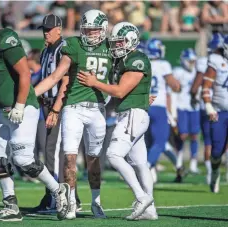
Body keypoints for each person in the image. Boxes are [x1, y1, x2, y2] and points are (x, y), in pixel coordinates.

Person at [0, 3, 70, 221]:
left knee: (23, 160)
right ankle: (10, 205)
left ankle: (58, 189)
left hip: (22, 106)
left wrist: (20, 105)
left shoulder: (5, 39)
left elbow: (23, 74)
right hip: (1, 107)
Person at [35, 9, 111, 219]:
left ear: (103, 29)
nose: (90, 33)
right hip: (73, 107)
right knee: (69, 156)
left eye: (94, 29)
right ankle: (69, 203)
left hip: (98, 109)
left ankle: (96, 202)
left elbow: (125, 76)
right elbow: (56, 77)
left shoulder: (111, 47)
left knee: (93, 160)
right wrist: (30, 96)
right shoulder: (74, 45)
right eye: (87, 29)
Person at [77, 21, 157, 221]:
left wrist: (95, 83)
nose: (115, 46)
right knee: (139, 163)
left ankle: (142, 197)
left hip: (133, 115)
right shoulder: (121, 61)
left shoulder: (137, 59)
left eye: (120, 42)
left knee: (113, 155)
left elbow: (121, 90)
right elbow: (119, 93)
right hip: (130, 113)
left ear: (131, 41)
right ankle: (150, 209)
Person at [33, 14, 82, 212]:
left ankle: (66, 198)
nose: (46, 32)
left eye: (49, 29)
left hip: (58, 104)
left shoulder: (64, 48)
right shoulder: (46, 51)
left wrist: (55, 108)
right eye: (44, 29)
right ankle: (53, 195)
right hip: (46, 103)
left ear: (59, 29)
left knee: (55, 153)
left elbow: (66, 80)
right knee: (49, 152)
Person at [190, 33, 224, 184]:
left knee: (210, 141)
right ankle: (214, 172)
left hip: (209, 105)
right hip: (215, 105)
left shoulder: (206, 61)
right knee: (216, 141)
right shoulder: (215, 61)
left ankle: (211, 173)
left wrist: (193, 96)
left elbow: (196, 86)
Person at [145, 38, 180, 183]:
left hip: (144, 105)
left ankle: (149, 170)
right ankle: (145, 168)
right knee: (160, 141)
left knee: (149, 142)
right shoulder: (163, 64)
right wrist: (177, 85)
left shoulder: (144, 63)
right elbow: (174, 85)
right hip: (158, 106)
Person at [202, 35, 228, 193]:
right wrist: (208, 107)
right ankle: (215, 172)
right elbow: (206, 87)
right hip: (219, 112)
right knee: (217, 151)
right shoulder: (216, 62)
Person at [172, 48, 200, 182]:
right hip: (181, 107)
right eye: (190, 61)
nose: (192, 63)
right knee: (182, 135)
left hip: (194, 107)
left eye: (193, 61)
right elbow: (172, 91)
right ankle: (179, 161)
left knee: (194, 134)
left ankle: (193, 162)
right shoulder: (178, 72)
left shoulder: (197, 72)